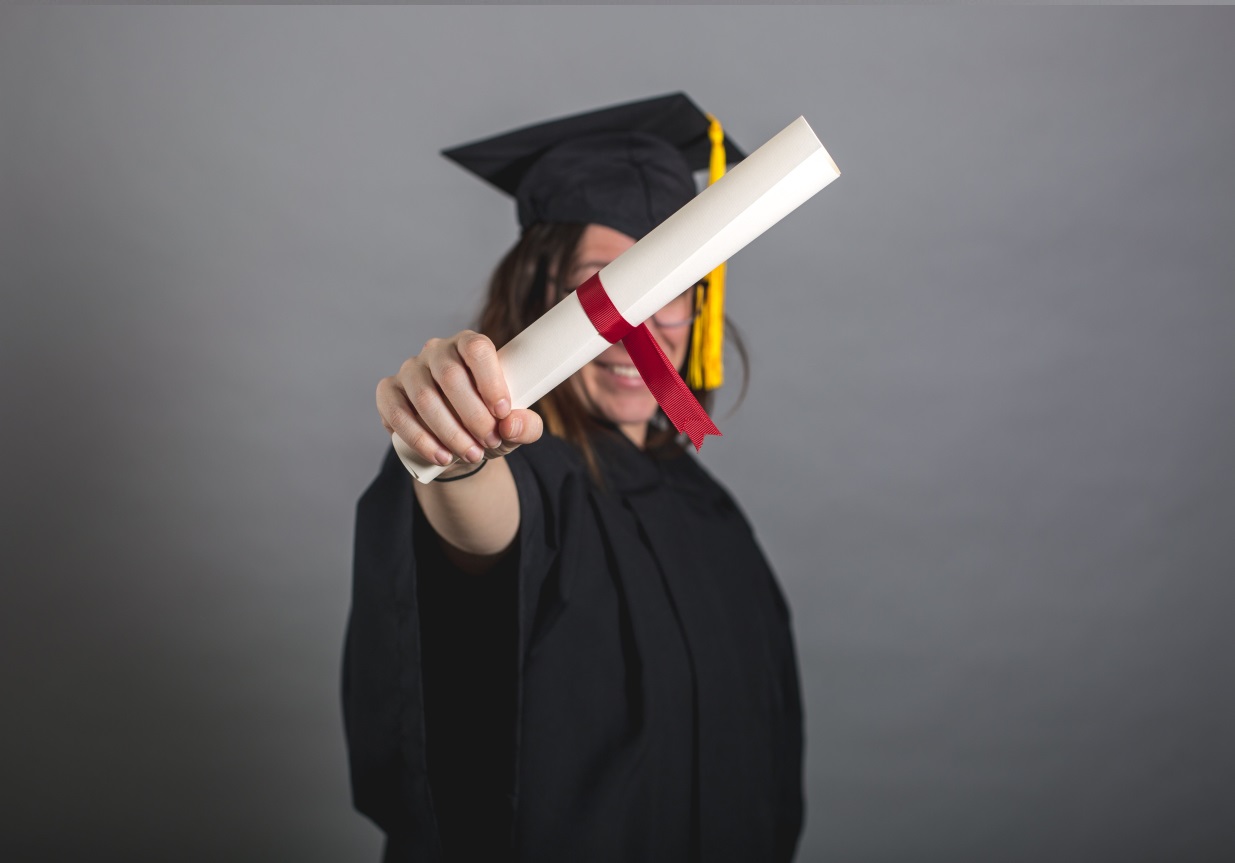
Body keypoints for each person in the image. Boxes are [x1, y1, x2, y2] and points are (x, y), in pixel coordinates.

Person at [344, 93, 804, 863]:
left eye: (673, 284)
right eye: (606, 284)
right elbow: (479, 535)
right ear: (539, 293)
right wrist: (455, 457)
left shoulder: (710, 510)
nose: (643, 323)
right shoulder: (529, 472)